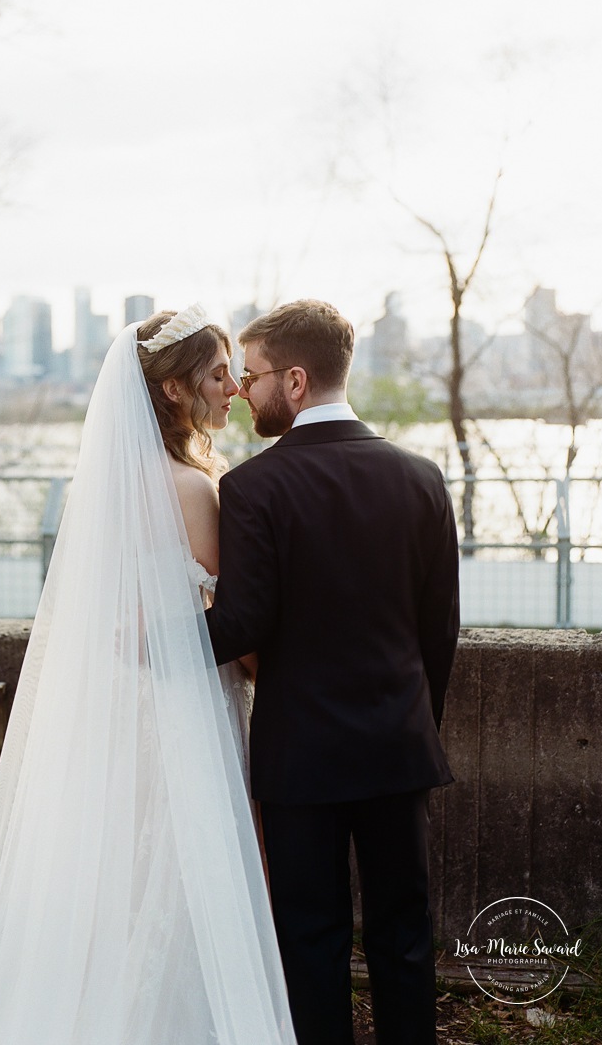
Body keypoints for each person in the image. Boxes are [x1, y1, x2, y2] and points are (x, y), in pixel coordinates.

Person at [0, 305, 297, 1045]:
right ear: (172, 391)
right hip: (184, 712)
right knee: (184, 882)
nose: (233, 389)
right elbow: (237, 628)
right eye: (217, 375)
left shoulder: (111, 488)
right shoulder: (193, 491)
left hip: (121, 709)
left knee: (122, 884)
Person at [206, 299, 460, 1045]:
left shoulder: (252, 489)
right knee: (403, 935)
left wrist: (148, 638)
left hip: (301, 761)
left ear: (293, 378)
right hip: (398, 749)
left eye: (249, 376)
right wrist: (417, 728)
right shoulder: (422, 479)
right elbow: (436, 632)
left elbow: (241, 626)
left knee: (310, 941)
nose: (241, 392)